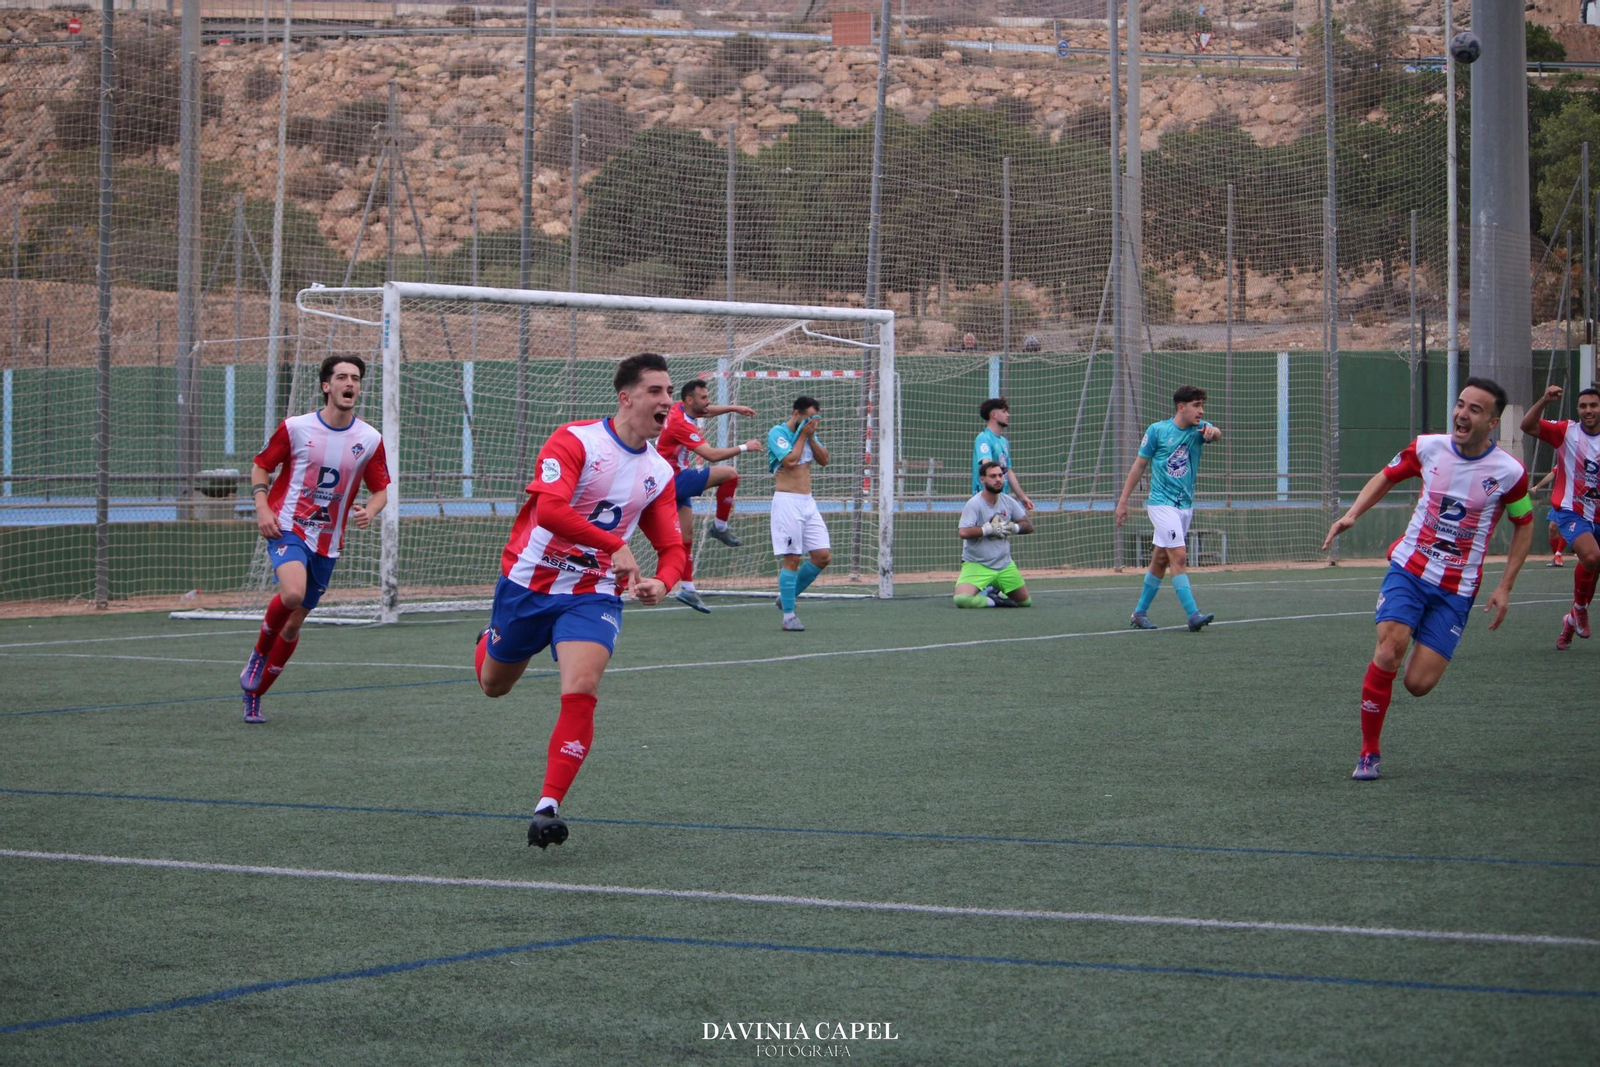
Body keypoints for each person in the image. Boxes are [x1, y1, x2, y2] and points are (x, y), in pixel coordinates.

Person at [475, 353, 686, 849]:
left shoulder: (659, 471)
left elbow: (673, 548)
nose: (667, 401)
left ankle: (547, 806)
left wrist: (665, 581)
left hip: (594, 594)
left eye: (669, 392)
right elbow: (548, 509)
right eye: (656, 391)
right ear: (626, 397)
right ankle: (490, 640)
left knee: (583, 685)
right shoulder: (575, 441)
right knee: (493, 686)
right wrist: (614, 544)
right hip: (530, 582)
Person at [1322, 377, 1534, 781]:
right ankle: (1369, 753)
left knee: (1418, 684)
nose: (1462, 414)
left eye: (1475, 409)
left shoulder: (1510, 473)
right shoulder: (1427, 447)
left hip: (1456, 590)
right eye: (1460, 405)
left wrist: (1505, 585)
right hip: (1410, 568)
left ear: (1492, 422)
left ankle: (1421, 639)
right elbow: (1386, 476)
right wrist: (1353, 513)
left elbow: (1524, 523)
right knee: (1388, 650)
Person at [239, 355, 390, 724]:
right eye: (341, 377)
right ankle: (258, 653)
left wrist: (370, 510)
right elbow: (261, 464)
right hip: (288, 527)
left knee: (293, 626)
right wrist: (261, 507)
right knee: (291, 593)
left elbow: (382, 488)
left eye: (355, 378)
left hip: (329, 541)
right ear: (327, 386)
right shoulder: (296, 428)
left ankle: (255, 695)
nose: (349, 383)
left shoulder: (369, 439)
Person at [1114, 384, 1223, 631]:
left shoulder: (1199, 431)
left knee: (1161, 559)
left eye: (1202, 405)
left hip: (1185, 506)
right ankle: (1193, 615)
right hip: (1161, 505)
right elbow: (1139, 466)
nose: (1201, 411)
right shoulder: (1157, 431)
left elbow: (1217, 434)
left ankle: (1139, 614)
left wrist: (1213, 432)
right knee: (1179, 556)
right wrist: (1122, 502)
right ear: (1181, 407)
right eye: (1196, 405)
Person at [653, 378, 760, 613]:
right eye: (703, 397)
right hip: (673, 479)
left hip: (669, 478)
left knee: (686, 536)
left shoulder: (682, 408)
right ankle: (720, 526)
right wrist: (745, 447)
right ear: (690, 400)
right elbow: (710, 455)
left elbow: (707, 411)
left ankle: (688, 588)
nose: (708, 401)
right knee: (730, 474)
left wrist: (733, 408)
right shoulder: (681, 422)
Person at [1520, 384, 1600, 650]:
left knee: (1593, 566)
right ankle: (1580, 609)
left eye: (1594, 405)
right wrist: (1544, 399)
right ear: (1578, 410)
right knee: (1591, 557)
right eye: (1583, 406)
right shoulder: (1567, 431)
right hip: (1571, 509)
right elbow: (1527, 425)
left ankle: (1570, 621)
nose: (1588, 410)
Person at [767, 395, 832, 632]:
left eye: (815, 419)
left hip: (808, 502)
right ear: (796, 414)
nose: (811, 422)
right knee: (792, 558)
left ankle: (787, 596)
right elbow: (791, 460)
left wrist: (812, 436)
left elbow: (824, 460)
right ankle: (788, 616)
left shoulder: (810, 436)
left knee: (822, 555)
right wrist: (804, 434)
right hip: (787, 502)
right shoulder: (778, 433)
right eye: (808, 418)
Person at [954, 459, 1034, 608]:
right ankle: (994, 600)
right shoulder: (974, 503)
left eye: (1000, 475)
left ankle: (996, 588)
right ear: (982, 479)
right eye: (992, 476)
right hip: (977, 564)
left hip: (1004, 565)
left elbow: (1028, 526)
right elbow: (963, 532)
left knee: (1025, 602)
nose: (998, 479)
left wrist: (1013, 528)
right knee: (962, 600)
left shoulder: (1008, 501)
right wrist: (988, 530)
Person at [972, 397, 1035, 510]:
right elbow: (987, 466)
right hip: (986, 501)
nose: (1008, 415)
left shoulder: (1003, 442)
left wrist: (1022, 497)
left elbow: (1008, 471)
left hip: (1002, 499)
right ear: (994, 415)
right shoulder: (983, 438)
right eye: (1004, 411)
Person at [1531, 470, 1566, 567]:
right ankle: (1557, 557)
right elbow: (1552, 474)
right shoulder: (1563, 458)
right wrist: (1537, 486)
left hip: (1570, 499)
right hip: (1558, 498)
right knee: (1552, 527)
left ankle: (1558, 554)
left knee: (1565, 527)